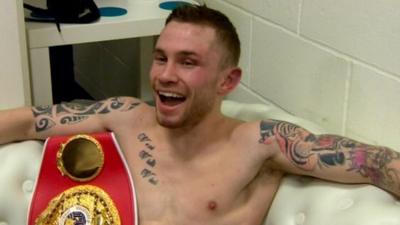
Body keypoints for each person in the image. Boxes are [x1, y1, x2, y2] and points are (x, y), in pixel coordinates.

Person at [1, 4, 399, 225]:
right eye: (160, 58)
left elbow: (374, 163)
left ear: (228, 81)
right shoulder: (126, 115)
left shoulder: (260, 144)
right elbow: (26, 120)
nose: (165, 75)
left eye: (188, 62)